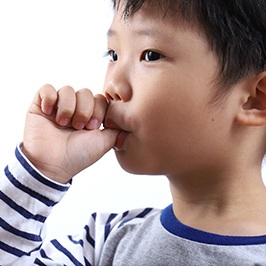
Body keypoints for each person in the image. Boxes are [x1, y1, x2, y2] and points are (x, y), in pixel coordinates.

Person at [1, 0, 266, 265]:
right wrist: (38, 170)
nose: (112, 85)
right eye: (113, 55)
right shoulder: (107, 240)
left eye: (150, 55)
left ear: (254, 99)